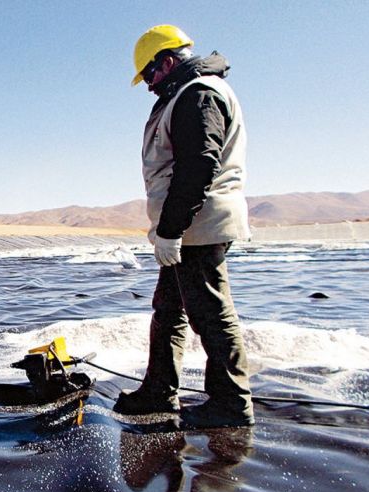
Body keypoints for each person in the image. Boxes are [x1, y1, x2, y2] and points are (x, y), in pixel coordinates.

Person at [113, 25, 254, 428]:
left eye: (151, 75)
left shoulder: (198, 94)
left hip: (198, 225)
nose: (149, 86)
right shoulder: (183, 92)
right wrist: (168, 230)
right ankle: (158, 390)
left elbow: (198, 166)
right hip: (185, 225)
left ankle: (230, 404)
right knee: (170, 309)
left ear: (168, 62)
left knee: (208, 311)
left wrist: (172, 230)